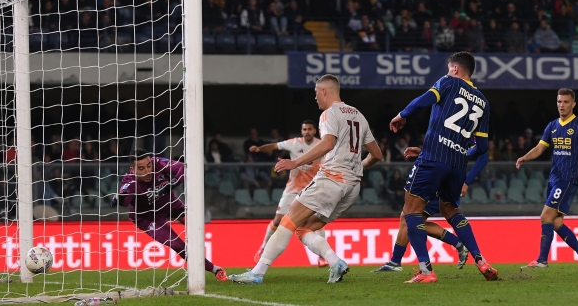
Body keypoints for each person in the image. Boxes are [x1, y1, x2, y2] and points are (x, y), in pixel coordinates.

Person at [229, 74, 382, 284]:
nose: (315, 97)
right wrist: (358, 169)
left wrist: (295, 162)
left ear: (325, 91)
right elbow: (377, 154)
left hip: (331, 180)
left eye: (316, 93)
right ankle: (335, 262)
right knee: (305, 228)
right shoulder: (359, 115)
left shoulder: (329, 114)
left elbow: (327, 143)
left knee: (288, 221)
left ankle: (257, 272)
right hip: (352, 187)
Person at [388, 51, 497, 284]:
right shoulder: (483, 102)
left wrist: (402, 114)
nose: (447, 71)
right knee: (452, 212)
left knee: (411, 212)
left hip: (433, 159)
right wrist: (456, 151)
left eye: (449, 68)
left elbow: (424, 100)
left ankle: (426, 272)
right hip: (457, 165)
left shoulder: (448, 82)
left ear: (455, 69)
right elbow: (482, 147)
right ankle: (481, 260)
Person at [516, 88, 578, 268]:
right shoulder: (552, 126)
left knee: (545, 216)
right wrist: (525, 156)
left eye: (565, 102)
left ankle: (542, 260)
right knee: (556, 222)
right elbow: (540, 148)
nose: (561, 105)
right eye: (559, 102)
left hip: (568, 179)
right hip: (554, 179)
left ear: (573, 104)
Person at [111, 148, 228, 281]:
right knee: (177, 245)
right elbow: (125, 200)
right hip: (149, 217)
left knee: (196, 224)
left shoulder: (158, 163)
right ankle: (215, 269)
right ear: (133, 170)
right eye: (142, 168)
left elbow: (182, 168)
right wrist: (120, 198)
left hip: (171, 205)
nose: (148, 171)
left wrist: (172, 183)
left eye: (149, 166)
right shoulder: (130, 181)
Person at [374, 146, 489, 272]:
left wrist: (466, 182)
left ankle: (397, 262)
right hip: (437, 176)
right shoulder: (455, 132)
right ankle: (395, 261)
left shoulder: (468, 133)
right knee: (408, 218)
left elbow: (483, 156)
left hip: (441, 182)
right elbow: (444, 149)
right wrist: (424, 151)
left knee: (410, 217)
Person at [248, 120, 329, 267]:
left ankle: (322, 257)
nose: (307, 132)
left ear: (315, 131)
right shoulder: (294, 143)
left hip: (312, 189)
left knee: (317, 222)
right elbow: (274, 145)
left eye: (310, 129)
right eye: (304, 129)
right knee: (278, 220)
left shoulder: (321, 144)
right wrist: (259, 149)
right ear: (301, 131)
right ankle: (264, 247)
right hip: (293, 189)